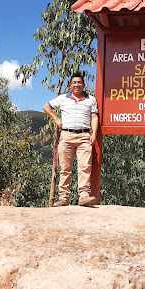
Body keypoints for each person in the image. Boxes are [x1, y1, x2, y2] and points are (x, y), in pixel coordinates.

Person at [43, 72, 99, 207]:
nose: (77, 85)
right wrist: (56, 119)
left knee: (85, 167)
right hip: (66, 136)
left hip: (84, 136)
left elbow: (94, 117)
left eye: (79, 82)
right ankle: (63, 198)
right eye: (74, 82)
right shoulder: (63, 98)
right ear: (70, 85)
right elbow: (46, 107)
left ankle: (84, 196)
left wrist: (94, 134)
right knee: (65, 168)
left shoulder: (91, 99)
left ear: (84, 85)